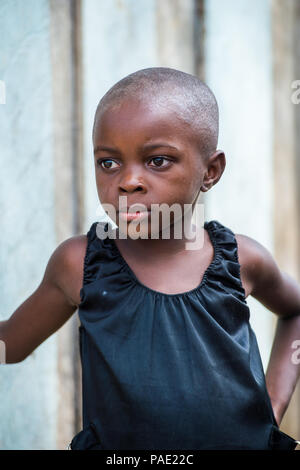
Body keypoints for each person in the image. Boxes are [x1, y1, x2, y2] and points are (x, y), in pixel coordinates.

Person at [1, 67, 300, 450]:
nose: (128, 181)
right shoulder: (80, 264)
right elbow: (11, 343)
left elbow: (294, 311)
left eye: (157, 161)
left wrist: (271, 407)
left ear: (211, 171)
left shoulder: (241, 259)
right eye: (109, 162)